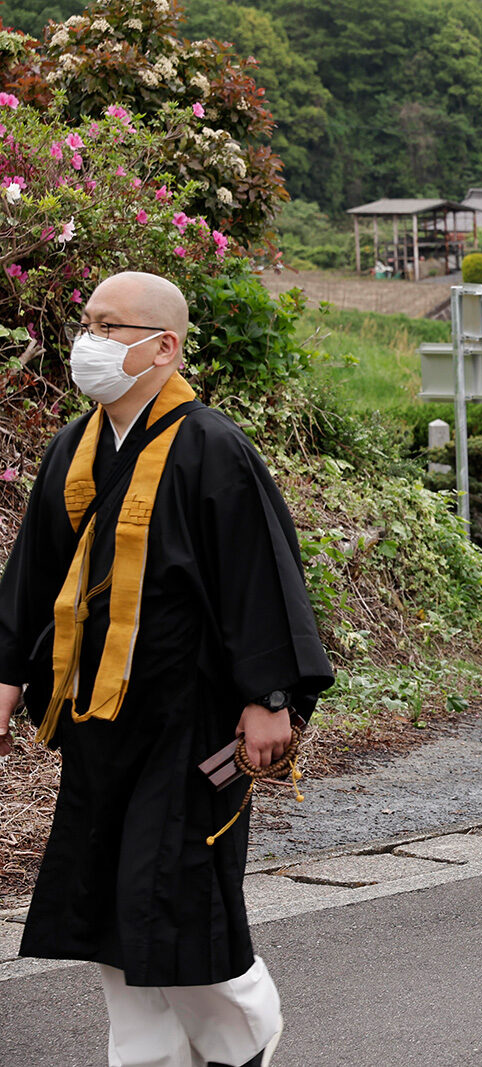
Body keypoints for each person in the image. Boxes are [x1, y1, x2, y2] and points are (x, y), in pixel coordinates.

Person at [0, 271, 335, 1066]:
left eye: (109, 325)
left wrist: (271, 698)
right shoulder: (73, 448)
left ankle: (244, 1032)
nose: (89, 338)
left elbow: (260, 579)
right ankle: (144, 1054)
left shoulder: (213, 446)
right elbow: (32, 577)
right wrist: (7, 679)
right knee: (111, 898)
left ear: (163, 346)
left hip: (193, 723)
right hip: (98, 720)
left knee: (180, 893)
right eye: (87, 320)